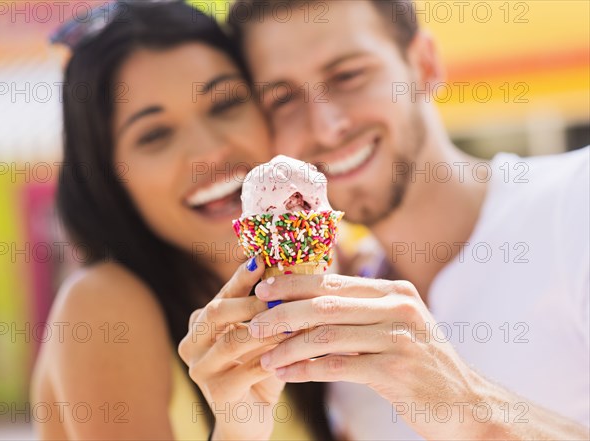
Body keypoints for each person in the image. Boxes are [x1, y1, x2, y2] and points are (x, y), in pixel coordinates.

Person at [216, 0, 590, 439]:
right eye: (282, 98)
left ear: (425, 65)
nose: (326, 125)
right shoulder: (332, 336)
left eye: (348, 75)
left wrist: (472, 411)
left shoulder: (575, 200)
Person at [31, 2, 330, 440]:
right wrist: (237, 430)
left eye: (225, 103)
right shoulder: (102, 306)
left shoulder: (338, 270)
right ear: (110, 178)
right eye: (154, 135)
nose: (207, 152)